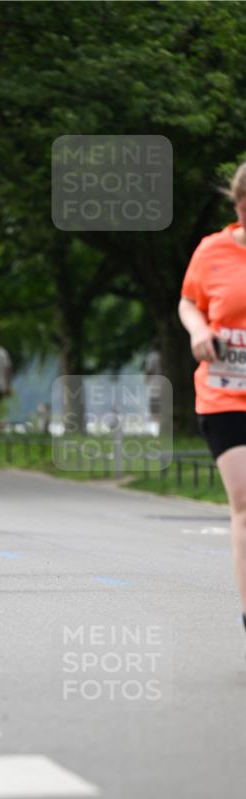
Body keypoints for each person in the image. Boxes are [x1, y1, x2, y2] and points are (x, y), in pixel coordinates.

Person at [179, 160, 246, 652]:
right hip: (224, 392)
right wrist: (200, 330)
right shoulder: (212, 250)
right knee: (244, 501)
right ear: (239, 204)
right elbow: (188, 301)